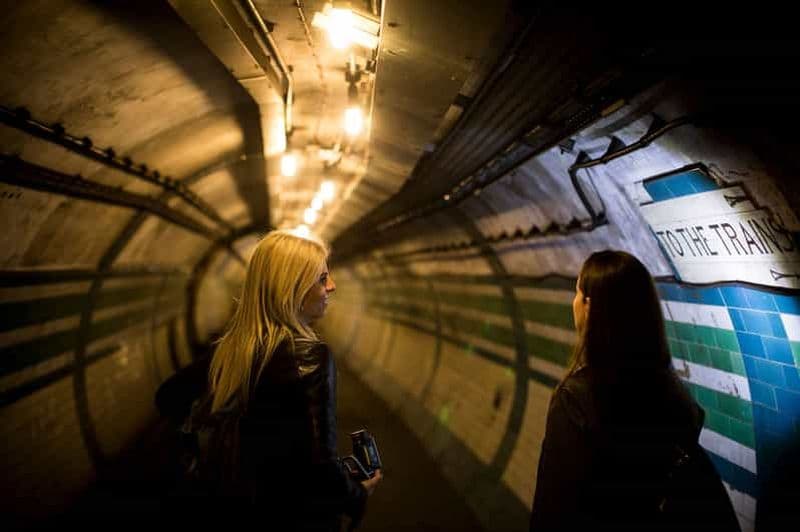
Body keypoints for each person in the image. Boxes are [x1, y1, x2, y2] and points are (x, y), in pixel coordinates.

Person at [157, 229, 381, 531]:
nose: (332, 286)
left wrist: (197, 455)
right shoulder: (311, 357)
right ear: (292, 288)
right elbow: (319, 464)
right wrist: (357, 494)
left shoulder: (232, 350)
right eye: (321, 278)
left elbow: (168, 397)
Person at [529, 250, 739, 531]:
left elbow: (553, 511)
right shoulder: (671, 392)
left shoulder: (576, 400)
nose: (574, 302)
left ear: (590, 306)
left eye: (577, 292)